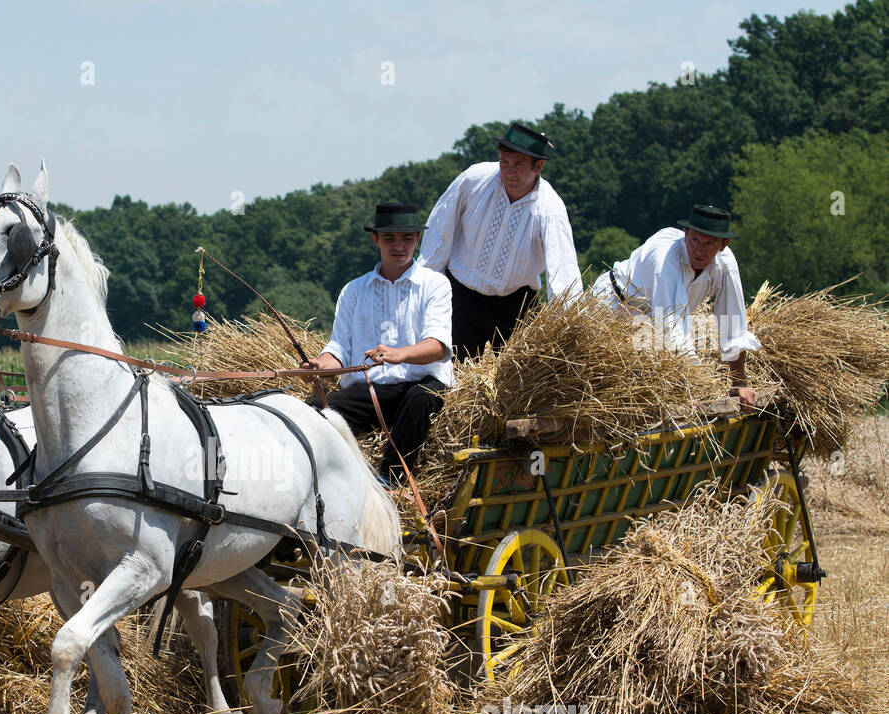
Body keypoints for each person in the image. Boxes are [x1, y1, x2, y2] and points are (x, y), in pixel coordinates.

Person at [300, 202, 453, 485]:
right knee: (313, 414)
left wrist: (400, 354)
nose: (399, 246)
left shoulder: (435, 285)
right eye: (390, 238)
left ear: (417, 239)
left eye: (407, 238)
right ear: (375, 239)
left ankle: (389, 483)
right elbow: (339, 349)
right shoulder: (354, 290)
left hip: (421, 383)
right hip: (373, 391)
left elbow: (438, 346)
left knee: (419, 399)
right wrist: (320, 366)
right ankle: (316, 484)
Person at [418, 122, 583, 360]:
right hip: (461, 296)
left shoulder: (550, 209)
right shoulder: (473, 180)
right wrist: (426, 285)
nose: (509, 171)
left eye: (517, 164)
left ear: (538, 166)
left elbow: (562, 270)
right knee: (448, 374)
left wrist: (567, 326)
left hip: (516, 304)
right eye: (504, 162)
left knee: (522, 381)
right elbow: (440, 230)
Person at [590, 203, 759, 407]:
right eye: (695, 240)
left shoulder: (726, 263)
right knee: (601, 382)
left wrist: (739, 383)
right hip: (614, 304)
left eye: (710, 244)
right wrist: (705, 387)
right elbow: (674, 335)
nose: (699, 250)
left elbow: (733, 323)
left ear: (723, 245)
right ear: (685, 233)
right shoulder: (665, 260)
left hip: (649, 319)